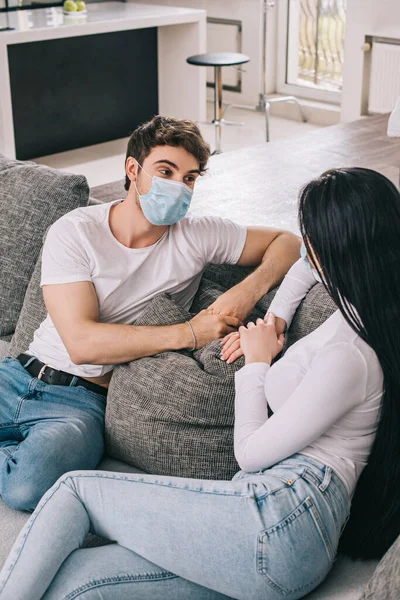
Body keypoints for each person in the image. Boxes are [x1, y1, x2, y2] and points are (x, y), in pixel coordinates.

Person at [1, 167, 398, 600]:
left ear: (344, 247)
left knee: (73, 492)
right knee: (78, 583)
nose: (309, 254)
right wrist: (275, 317)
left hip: (283, 520)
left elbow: (249, 453)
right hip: (272, 531)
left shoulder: (350, 353)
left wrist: (257, 362)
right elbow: (303, 264)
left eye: (316, 242)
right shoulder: (362, 303)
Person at [0, 115, 300, 511]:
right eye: (166, 171)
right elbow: (81, 343)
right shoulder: (75, 231)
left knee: (27, 488)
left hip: (81, 404)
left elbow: (288, 242)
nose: (179, 186)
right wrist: (191, 332)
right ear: (132, 169)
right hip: (17, 374)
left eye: (190, 178)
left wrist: (248, 291)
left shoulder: (197, 236)